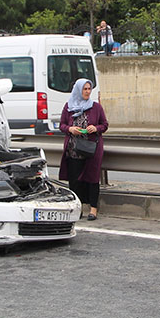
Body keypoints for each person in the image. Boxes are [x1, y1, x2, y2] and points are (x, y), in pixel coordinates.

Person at [59, 78, 108, 220]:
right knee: (75, 181)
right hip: (74, 149)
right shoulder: (68, 106)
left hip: (91, 149)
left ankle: (93, 209)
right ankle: (78, 208)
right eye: (84, 89)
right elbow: (62, 125)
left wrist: (96, 128)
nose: (87, 92)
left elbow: (104, 124)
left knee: (92, 178)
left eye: (89, 89)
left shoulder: (96, 107)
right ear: (78, 90)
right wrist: (70, 129)